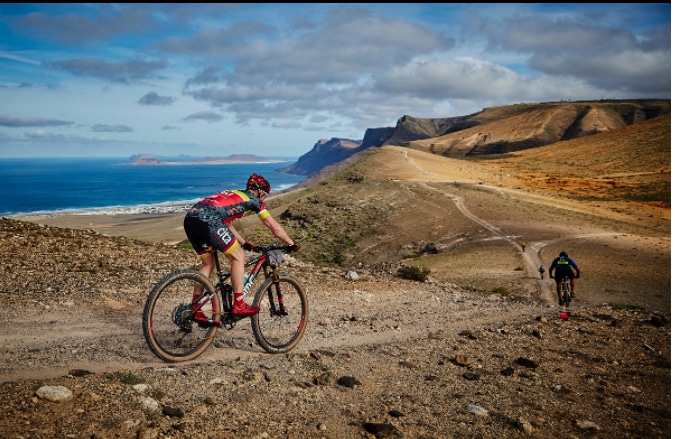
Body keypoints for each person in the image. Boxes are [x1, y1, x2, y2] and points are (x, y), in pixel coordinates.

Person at [183, 173, 298, 318]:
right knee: (238, 257)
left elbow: (227, 223)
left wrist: (244, 242)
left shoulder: (235, 194)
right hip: (209, 221)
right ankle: (239, 305)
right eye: (265, 195)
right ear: (261, 191)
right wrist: (291, 243)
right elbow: (273, 226)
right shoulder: (254, 200)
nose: (264, 199)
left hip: (191, 218)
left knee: (208, 264)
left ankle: (195, 308)